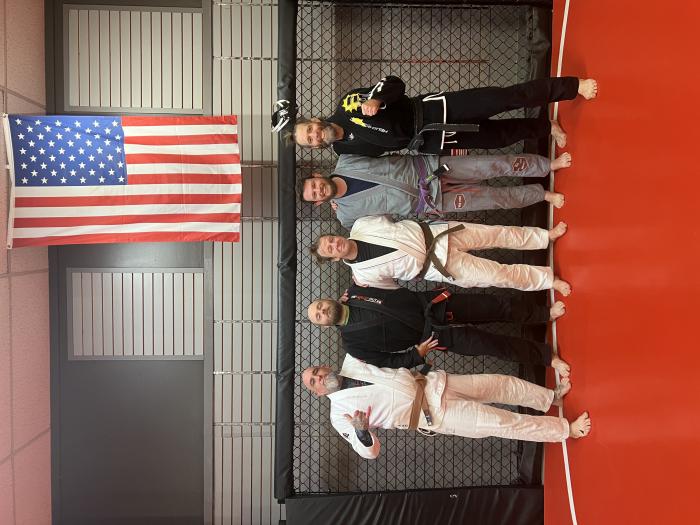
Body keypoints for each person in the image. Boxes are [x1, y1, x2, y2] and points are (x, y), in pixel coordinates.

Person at [302, 354, 591, 459]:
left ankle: (550, 397)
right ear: (317, 393)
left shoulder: (353, 360)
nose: (319, 378)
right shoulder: (339, 416)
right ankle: (565, 430)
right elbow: (369, 452)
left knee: (499, 383)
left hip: (434, 383)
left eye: (317, 372)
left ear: (324, 366)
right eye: (314, 382)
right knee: (502, 423)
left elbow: (384, 350)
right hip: (433, 415)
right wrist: (362, 432)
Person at [289, 75, 598, 156]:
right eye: (310, 141)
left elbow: (394, 84)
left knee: (505, 98)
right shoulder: (343, 151)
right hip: (429, 142)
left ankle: (571, 87)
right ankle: (545, 126)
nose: (314, 136)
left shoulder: (348, 104)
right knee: (497, 137)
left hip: (434, 109)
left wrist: (377, 99)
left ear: (314, 121)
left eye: (309, 130)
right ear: (315, 146)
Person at [306, 283, 570, 373]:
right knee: (493, 345)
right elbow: (386, 362)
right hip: (431, 336)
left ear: (326, 299)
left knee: (494, 306)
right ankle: (547, 357)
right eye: (318, 316)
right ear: (324, 325)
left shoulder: (355, 291)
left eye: (320, 306)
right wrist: (416, 355)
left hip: (433, 304)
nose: (322, 311)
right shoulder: (352, 345)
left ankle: (543, 313)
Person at [298, 151, 572, 228]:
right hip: (431, 201)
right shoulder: (346, 217)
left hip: (432, 167)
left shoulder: (347, 159)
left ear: (317, 175)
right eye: (315, 195)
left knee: (493, 164)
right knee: (495, 199)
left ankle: (547, 165)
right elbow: (376, 231)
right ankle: (542, 195)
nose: (319, 190)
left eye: (314, 185)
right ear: (319, 203)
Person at [310, 215, 571, 294]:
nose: (335, 244)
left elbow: (389, 217)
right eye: (330, 249)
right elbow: (393, 286)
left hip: (438, 233)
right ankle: (548, 280)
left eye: (330, 240)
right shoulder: (363, 275)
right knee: (498, 275)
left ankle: (544, 236)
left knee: (496, 233)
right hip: (438, 266)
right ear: (334, 259)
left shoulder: (361, 225)